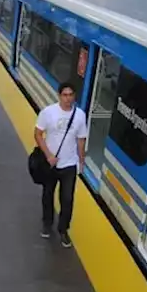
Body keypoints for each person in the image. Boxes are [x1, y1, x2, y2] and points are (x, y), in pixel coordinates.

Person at [34, 82, 88, 248]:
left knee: (67, 199)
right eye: (64, 95)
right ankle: (47, 222)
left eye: (70, 95)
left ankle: (63, 229)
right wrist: (48, 155)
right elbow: (38, 134)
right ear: (59, 96)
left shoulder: (80, 115)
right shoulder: (48, 112)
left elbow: (81, 139)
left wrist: (81, 160)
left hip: (69, 164)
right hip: (50, 163)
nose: (67, 98)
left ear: (74, 96)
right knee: (47, 194)